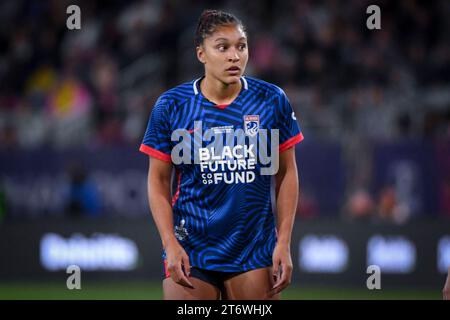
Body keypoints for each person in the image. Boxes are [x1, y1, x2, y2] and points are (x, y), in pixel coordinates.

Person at [139, 9, 304, 300]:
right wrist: (169, 243)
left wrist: (284, 242)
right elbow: (157, 181)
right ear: (201, 54)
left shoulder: (271, 100)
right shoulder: (171, 106)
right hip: (191, 247)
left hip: (253, 248)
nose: (234, 56)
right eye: (223, 47)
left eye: (241, 46)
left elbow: (287, 173)